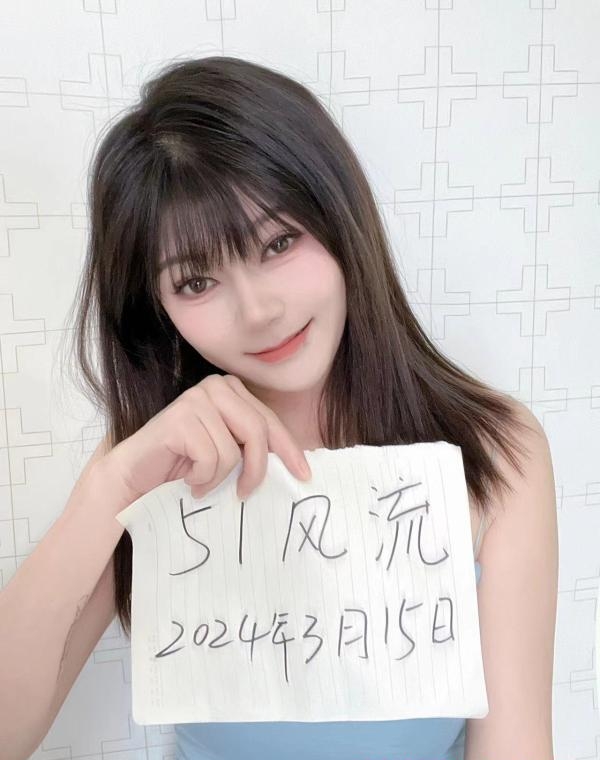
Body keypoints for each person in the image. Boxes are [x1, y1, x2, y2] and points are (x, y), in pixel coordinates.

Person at [0, 55, 558, 760]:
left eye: (279, 242)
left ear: (340, 217)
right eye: (196, 281)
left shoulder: (494, 448)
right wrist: (106, 492)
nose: (258, 310)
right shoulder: (156, 462)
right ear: (155, 309)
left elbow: (516, 746)